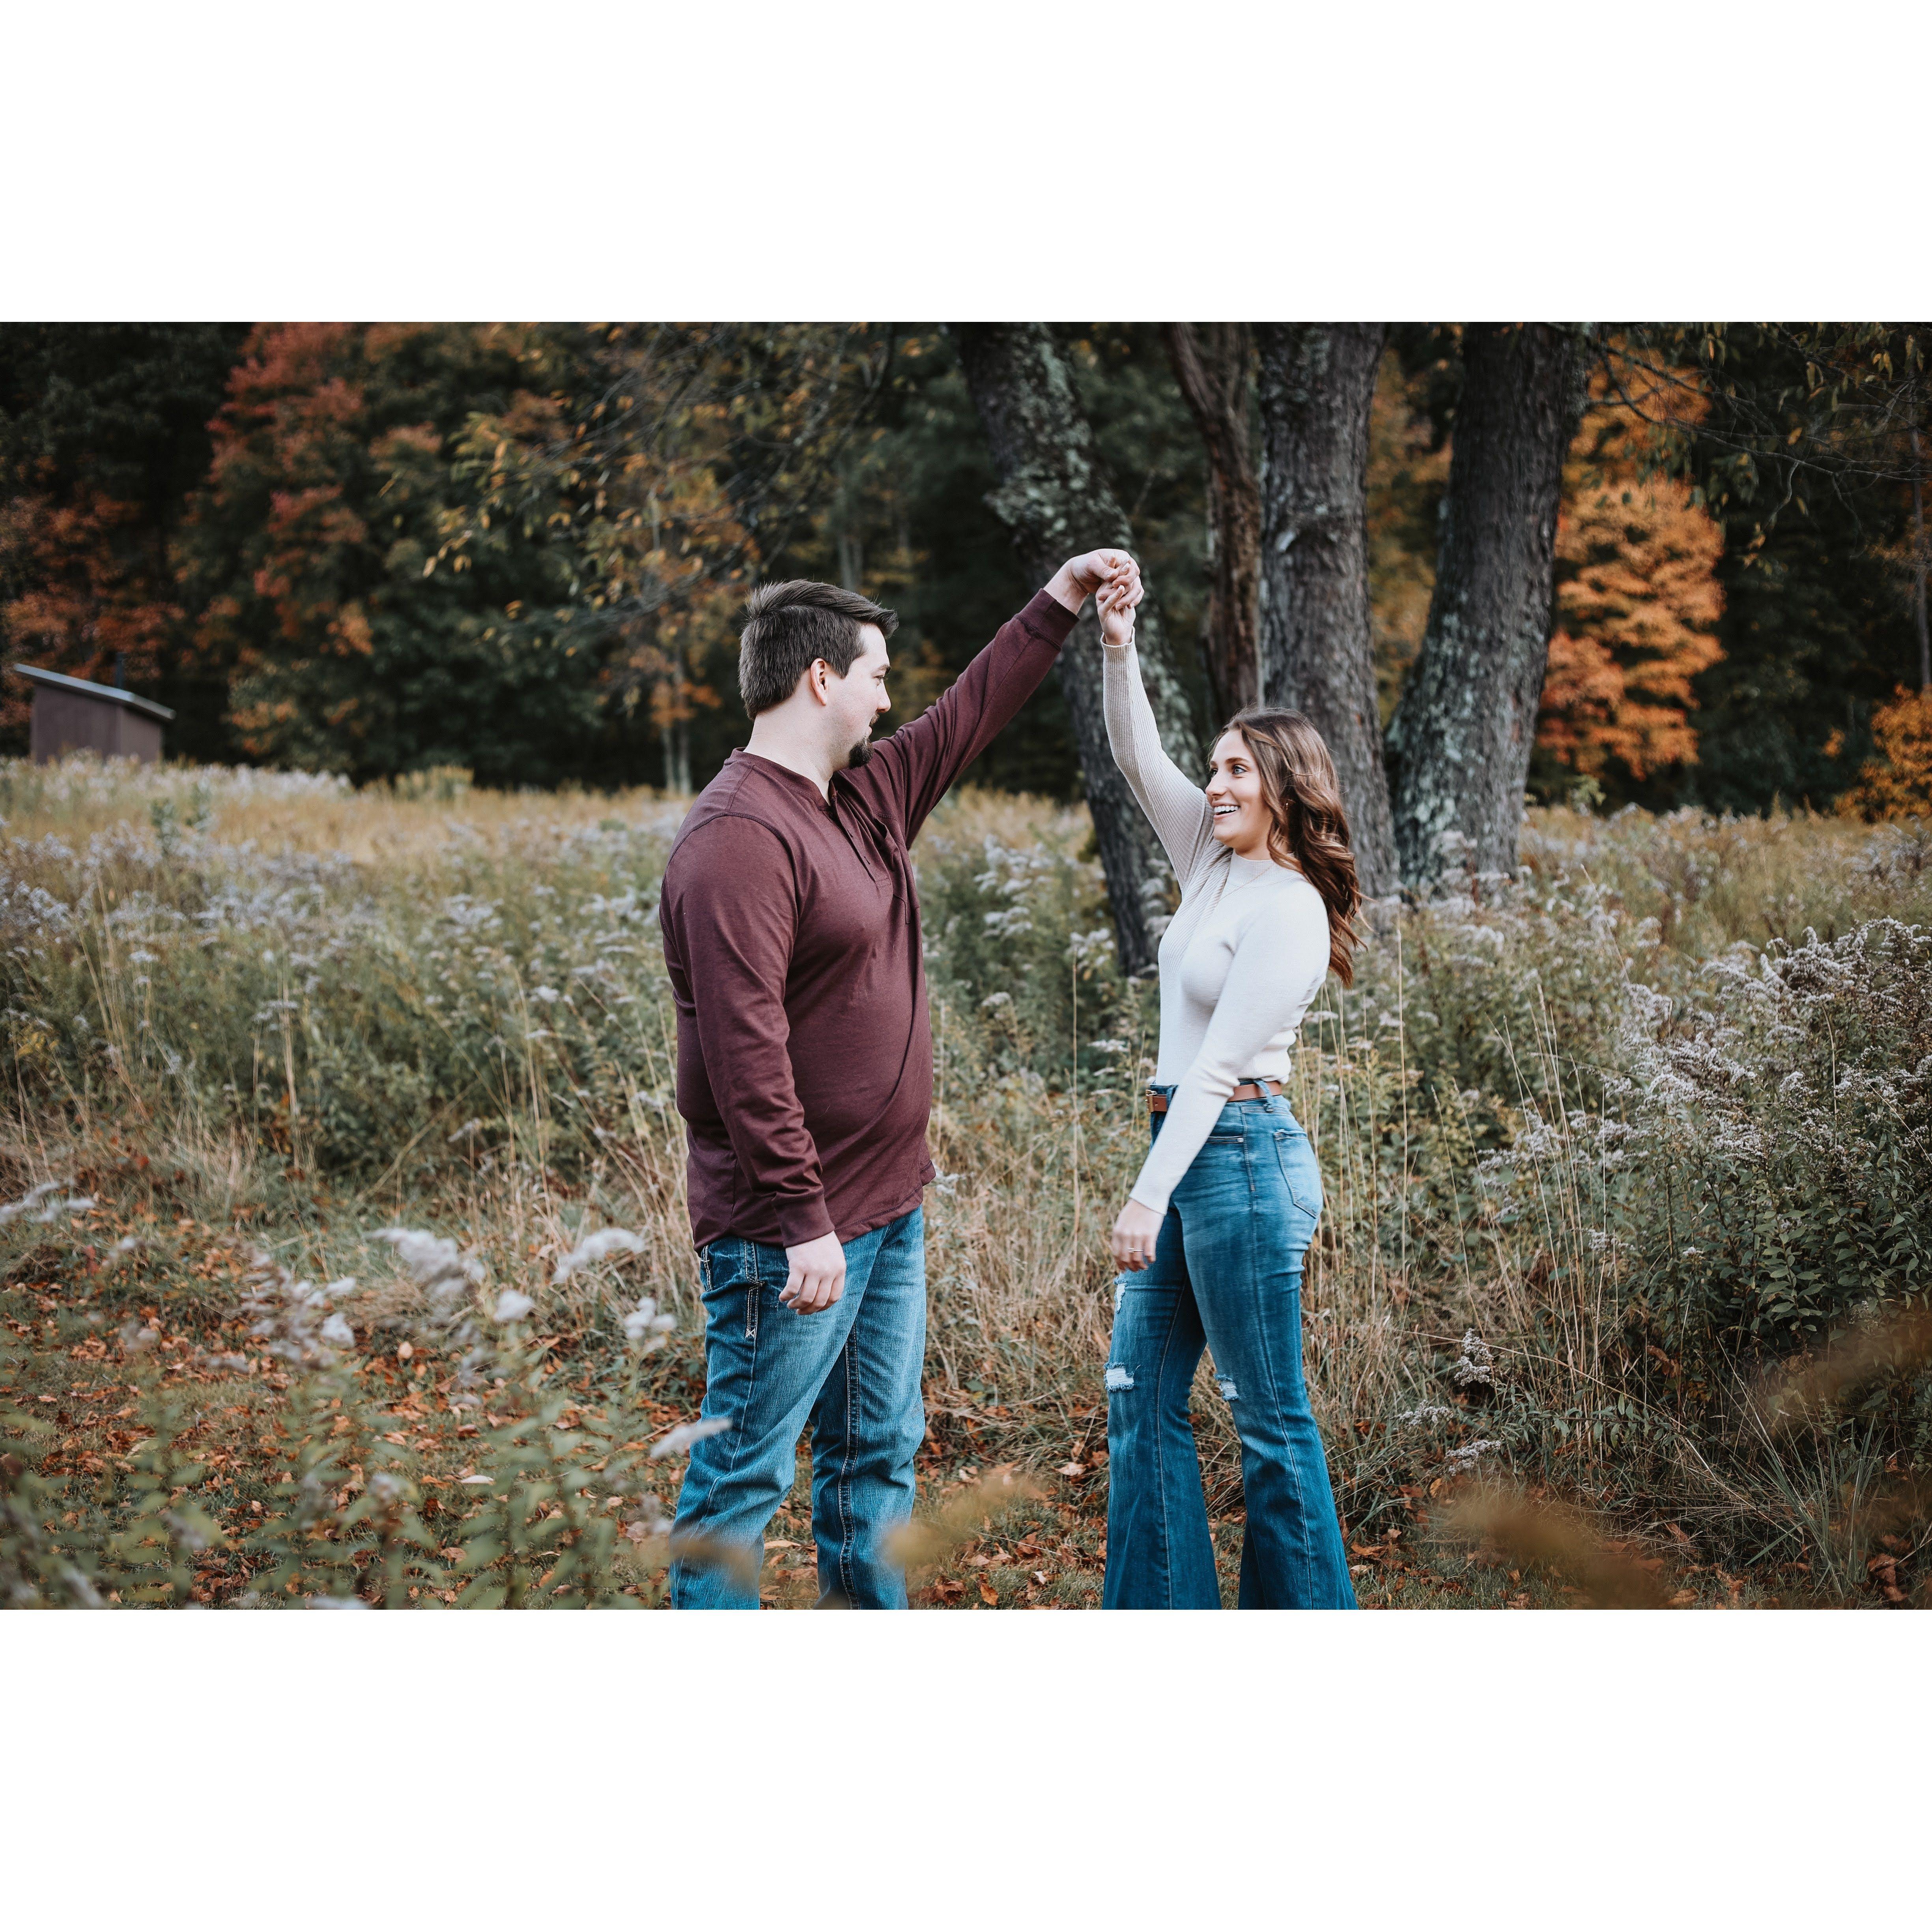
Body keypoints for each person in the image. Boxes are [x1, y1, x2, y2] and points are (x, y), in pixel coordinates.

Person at [659, 550, 1145, 1609]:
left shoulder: (863, 796)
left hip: (887, 1207)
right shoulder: (737, 839)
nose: (890, 699)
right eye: (877, 676)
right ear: (821, 678)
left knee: (876, 1457)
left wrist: (1061, 600)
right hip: (788, 1235)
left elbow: (970, 713)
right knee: (743, 1478)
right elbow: (741, 1054)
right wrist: (802, 1219)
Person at [1093, 568, 1359, 1610]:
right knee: (1137, 1393)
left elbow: (1215, 1068)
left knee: (1267, 1419)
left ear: (1284, 784)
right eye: (1213, 767)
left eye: (1238, 769)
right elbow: (1134, 755)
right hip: (1187, 1148)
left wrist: (1146, 1195)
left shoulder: (1290, 908)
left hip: (1243, 1163)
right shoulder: (1209, 860)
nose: (1215, 783)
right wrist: (1120, 643)